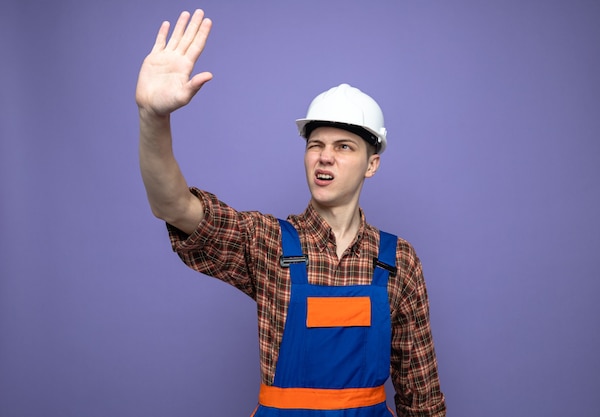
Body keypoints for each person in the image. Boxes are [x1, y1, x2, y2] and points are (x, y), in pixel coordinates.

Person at [136, 9, 446, 417]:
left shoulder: (398, 262)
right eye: (316, 144)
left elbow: (421, 400)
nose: (325, 157)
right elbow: (173, 206)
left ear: (372, 163)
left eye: (344, 147)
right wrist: (153, 117)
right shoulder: (267, 244)